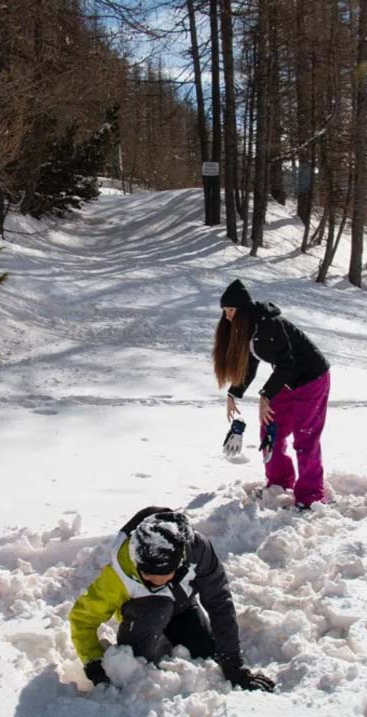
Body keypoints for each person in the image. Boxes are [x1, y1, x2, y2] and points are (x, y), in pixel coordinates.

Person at [69, 506, 274, 691]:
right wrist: (93, 661)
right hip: (144, 616)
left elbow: (219, 601)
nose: (157, 582)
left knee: (205, 651)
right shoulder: (120, 573)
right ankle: (137, 666)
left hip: (181, 607)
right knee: (154, 613)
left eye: (165, 575)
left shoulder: (198, 552)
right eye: (148, 576)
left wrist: (233, 664)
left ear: (180, 563)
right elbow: (82, 619)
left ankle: (173, 632)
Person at [214, 279, 330, 509]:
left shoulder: (268, 325)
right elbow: (251, 363)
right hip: (286, 381)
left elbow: (286, 363)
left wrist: (265, 396)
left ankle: (310, 497)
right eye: (225, 311)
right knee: (271, 431)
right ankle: (279, 482)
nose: (227, 316)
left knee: (304, 437)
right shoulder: (251, 328)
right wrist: (234, 393)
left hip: (311, 378)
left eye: (230, 310)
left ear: (242, 309)